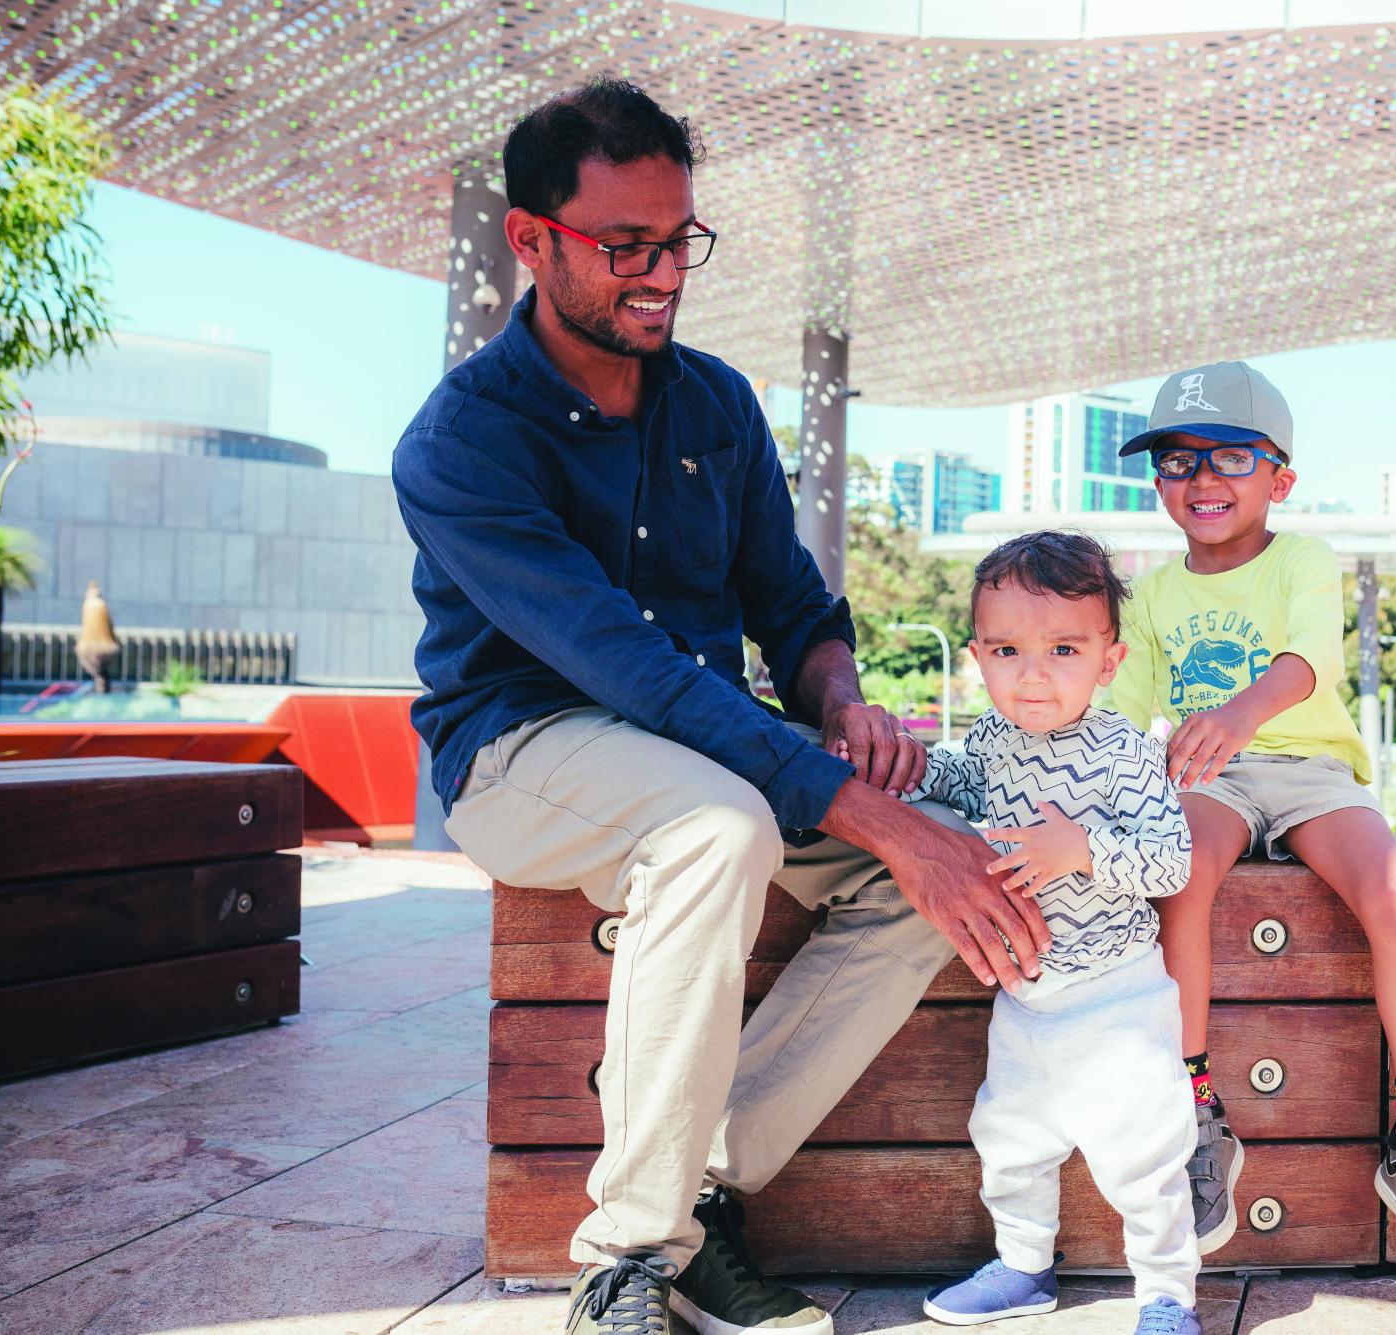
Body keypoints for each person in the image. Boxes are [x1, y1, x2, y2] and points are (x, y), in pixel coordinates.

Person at [392, 78, 1049, 1335]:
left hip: (703, 742)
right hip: (523, 747)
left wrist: (841, 700)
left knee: (937, 873)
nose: (659, 275)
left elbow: (790, 605)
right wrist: (856, 805)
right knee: (717, 830)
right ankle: (627, 1258)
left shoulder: (716, 404)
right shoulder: (460, 441)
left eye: (677, 241)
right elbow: (624, 666)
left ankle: (691, 1189)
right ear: (531, 239)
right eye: (624, 245)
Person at [1107, 361, 1396, 1284]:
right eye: (1177, 459)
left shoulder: (1302, 561)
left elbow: (1306, 658)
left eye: (1231, 456)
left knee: (1395, 893)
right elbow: (1120, 712)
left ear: (1279, 479)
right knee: (1179, 872)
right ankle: (1194, 1112)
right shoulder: (1151, 596)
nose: (1203, 477)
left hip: (1312, 770)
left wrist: (1238, 713)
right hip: (1212, 778)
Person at [903, 532, 1204, 1335]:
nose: (1033, 673)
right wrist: (907, 766)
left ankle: (1167, 1292)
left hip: (1118, 993)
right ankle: (1024, 1265)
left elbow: (1171, 862)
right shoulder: (992, 739)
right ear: (977, 657)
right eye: (1008, 650)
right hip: (1027, 994)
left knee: (1144, 1152)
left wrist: (1083, 848)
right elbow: (960, 779)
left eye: (1064, 649)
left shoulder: (1125, 753)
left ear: (1109, 661)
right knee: (1009, 1137)